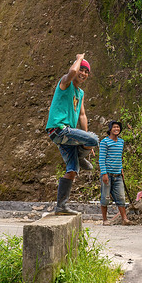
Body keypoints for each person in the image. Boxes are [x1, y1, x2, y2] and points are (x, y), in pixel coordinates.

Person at [46, 53, 99, 215]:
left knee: (72, 170)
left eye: (86, 72)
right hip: (59, 128)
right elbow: (71, 73)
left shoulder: (80, 93)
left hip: (68, 136)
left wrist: (84, 140)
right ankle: (81, 155)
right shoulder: (65, 83)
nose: (83, 73)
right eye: (81, 70)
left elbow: (82, 115)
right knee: (94, 139)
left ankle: (61, 206)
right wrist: (79, 58)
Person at [99, 120, 132, 226]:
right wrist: (104, 173)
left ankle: (124, 219)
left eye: (118, 127)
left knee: (121, 197)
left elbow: (119, 157)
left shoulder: (121, 142)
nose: (116, 129)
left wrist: (121, 169)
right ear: (110, 129)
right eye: (114, 127)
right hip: (107, 174)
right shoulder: (105, 142)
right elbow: (102, 159)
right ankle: (105, 220)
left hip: (118, 174)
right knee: (105, 198)